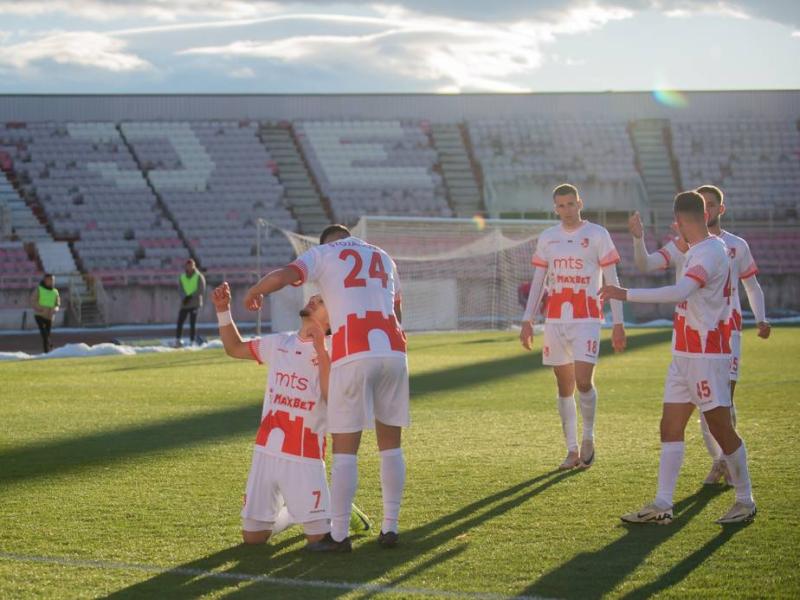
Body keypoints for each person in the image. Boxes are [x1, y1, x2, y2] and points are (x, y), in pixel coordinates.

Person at [243, 224, 408, 552]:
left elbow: (287, 274)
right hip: (393, 348)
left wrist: (255, 291)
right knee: (391, 445)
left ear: (327, 241)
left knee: (345, 448)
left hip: (353, 348)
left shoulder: (325, 253)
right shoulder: (384, 256)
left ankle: (339, 534)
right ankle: (390, 528)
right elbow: (397, 310)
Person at [603, 191, 756, 525]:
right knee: (670, 425)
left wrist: (624, 293)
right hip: (684, 353)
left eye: (677, 224)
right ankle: (662, 503)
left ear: (683, 221)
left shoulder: (711, 252)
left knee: (719, 426)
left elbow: (678, 293)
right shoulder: (698, 248)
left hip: (706, 354)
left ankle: (745, 501)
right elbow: (658, 270)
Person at [628, 184, 770, 485]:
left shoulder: (733, 245)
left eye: (710, 204)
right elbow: (646, 263)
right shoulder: (683, 245)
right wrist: (638, 238)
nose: (706, 208)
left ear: (718, 209)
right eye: (701, 203)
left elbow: (751, 285)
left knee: (721, 406)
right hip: (689, 336)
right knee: (704, 411)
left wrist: (761, 318)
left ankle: (731, 471)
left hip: (722, 333)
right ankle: (720, 461)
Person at [212, 283, 371, 547]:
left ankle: (329, 509)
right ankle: (300, 511)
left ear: (333, 320)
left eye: (321, 301)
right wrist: (223, 310)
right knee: (253, 538)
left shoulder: (336, 353)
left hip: (304, 456)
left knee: (318, 540)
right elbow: (234, 348)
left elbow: (333, 399)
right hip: (265, 451)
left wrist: (321, 350)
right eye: (315, 297)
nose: (313, 300)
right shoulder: (280, 343)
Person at [519, 183, 626, 470]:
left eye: (571, 204)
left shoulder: (597, 235)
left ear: (580, 203)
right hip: (555, 320)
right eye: (561, 206)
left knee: (582, 381)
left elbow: (613, 281)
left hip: (587, 318)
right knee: (563, 385)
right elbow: (539, 281)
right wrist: (528, 320)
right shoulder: (548, 238)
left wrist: (619, 323)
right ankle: (571, 449)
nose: (566, 210)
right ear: (555, 208)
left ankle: (589, 436)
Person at [175, 259, 206, 347]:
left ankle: (192, 341)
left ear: (194, 266)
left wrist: (190, 296)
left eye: (191, 265)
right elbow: (180, 289)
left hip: (194, 303)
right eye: (188, 265)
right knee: (180, 322)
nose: (189, 267)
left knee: (193, 323)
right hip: (185, 303)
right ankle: (178, 340)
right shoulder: (182, 277)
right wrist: (184, 297)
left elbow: (201, 289)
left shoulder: (199, 276)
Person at [30, 273, 60, 354]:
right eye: (50, 280)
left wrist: (55, 309)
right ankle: (48, 349)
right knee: (44, 333)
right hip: (39, 315)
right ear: (45, 280)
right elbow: (33, 300)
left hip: (49, 316)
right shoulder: (39, 289)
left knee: (47, 335)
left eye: (53, 280)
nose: (52, 281)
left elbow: (57, 304)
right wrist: (40, 308)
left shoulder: (55, 291)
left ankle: (47, 352)